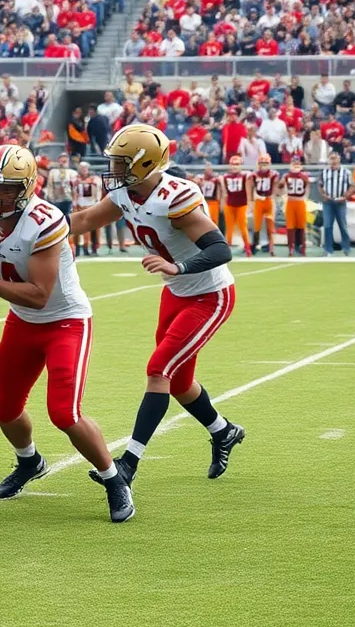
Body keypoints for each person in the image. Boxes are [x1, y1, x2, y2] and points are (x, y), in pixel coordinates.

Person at [0, 145, 133, 523]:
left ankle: (114, 479)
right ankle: (29, 461)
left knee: (65, 413)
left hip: (65, 321)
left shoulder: (44, 220)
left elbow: (38, 295)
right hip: (22, 321)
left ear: (27, 187)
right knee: (5, 408)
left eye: (7, 188)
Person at [69, 124, 244, 491]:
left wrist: (177, 267)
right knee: (178, 382)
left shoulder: (174, 197)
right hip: (176, 293)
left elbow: (219, 249)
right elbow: (85, 220)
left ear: (145, 164)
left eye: (121, 162)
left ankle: (129, 463)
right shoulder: (125, 193)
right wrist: (41, 230)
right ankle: (223, 431)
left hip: (209, 295)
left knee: (159, 370)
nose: (114, 169)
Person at [318, 152, 352, 256]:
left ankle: (346, 247)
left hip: (341, 202)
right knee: (327, 226)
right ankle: (328, 249)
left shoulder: (346, 172)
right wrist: (323, 195)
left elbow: (352, 186)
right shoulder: (324, 172)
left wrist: (345, 196)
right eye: (331, 158)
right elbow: (320, 185)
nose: (333, 161)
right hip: (328, 202)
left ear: (339, 159)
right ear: (329, 160)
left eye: (335, 158)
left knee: (343, 225)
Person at [220, 155, 253, 256]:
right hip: (229, 204)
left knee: (243, 227)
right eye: (233, 164)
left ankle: (247, 248)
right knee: (229, 228)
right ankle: (227, 248)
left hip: (242, 205)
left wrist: (250, 203)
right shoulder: (225, 177)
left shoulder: (245, 175)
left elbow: (248, 190)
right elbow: (225, 193)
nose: (234, 166)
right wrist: (223, 204)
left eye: (237, 164)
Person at [281, 157, 312, 256]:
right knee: (290, 225)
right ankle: (291, 247)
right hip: (290, 201)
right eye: (293, 163)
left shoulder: (304, 176)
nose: (295, 165)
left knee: (301, 225)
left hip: (300, 201)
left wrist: (305, 198)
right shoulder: (286, 176)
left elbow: (308, 187)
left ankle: (302, 247)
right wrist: (283, 195)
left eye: (297, 163)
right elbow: (280, 186)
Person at [250, 154, 280, 255]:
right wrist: (251, 200)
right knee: (256, 225)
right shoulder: (254, 174)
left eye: (265, 163)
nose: (263, 166)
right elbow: (251, 187)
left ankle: (271, 248)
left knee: (270, 226)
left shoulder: (273, 174)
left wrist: (273, 197)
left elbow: (275, 188)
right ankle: (255, 245)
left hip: (268, 200)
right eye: (262, 163)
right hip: (258, 200)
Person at [72, 161, 102, 256]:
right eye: (82, 168)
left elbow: (98, 187)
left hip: (92, 205)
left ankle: (94, 248)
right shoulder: (75, 179)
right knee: (78, 229)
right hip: (80, 206)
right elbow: (73, 191)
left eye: (85, 168)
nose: (84, 170)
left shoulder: (94, 179)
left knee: (95, 229)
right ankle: (79, 248)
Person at [45, 153, 77, 220]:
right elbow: (50, 186)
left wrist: (74, 200)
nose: (62, 163)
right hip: (57, 200)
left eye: (65, 161)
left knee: (68, 218)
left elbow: (75, 188)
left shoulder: (73, 173)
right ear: (58, 161)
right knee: (57, 218)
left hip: (68, 199)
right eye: (61, 161)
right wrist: (51, 198)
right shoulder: (53, 172)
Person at [195, 162, 221, 227]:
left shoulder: (216, 178)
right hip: (202, 200)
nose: (209, 170)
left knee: (213, 220)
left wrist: (219, 201)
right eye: (207, 168)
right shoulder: (200, 178)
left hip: (213, 201)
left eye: (210, 168)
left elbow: (218, 191)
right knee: (202, 220)